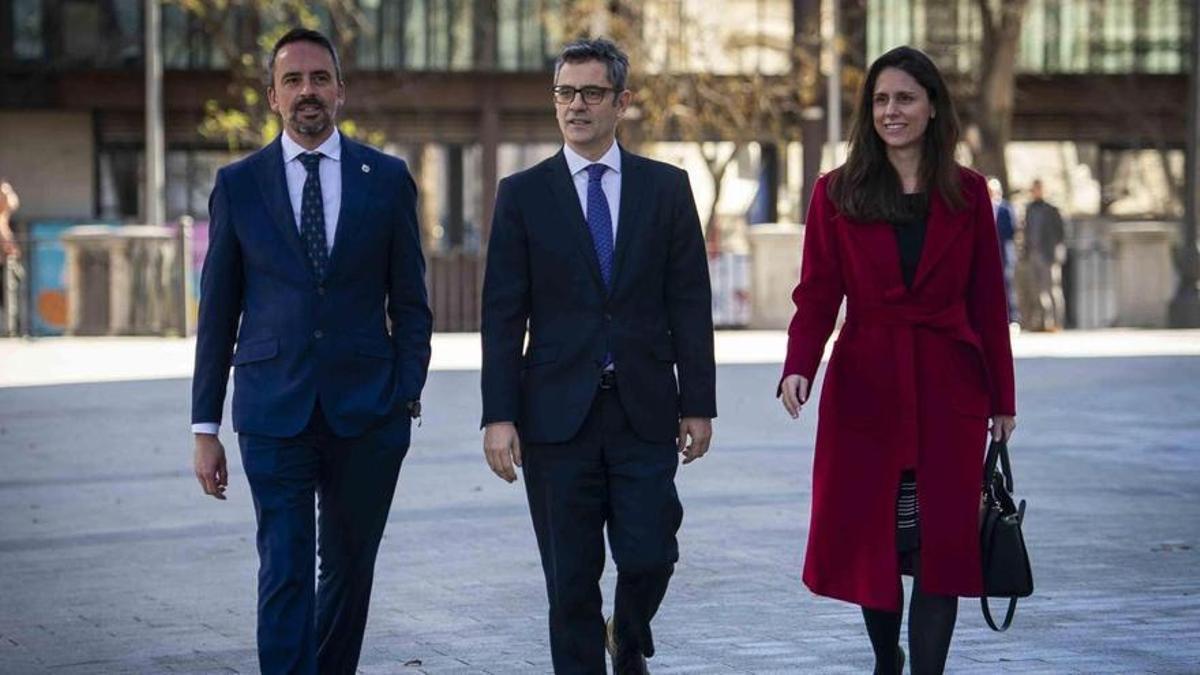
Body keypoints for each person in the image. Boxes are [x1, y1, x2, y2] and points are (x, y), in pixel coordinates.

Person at [190, 28, 432, 674]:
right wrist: (205, 425)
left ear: (340, 91)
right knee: (286, 566)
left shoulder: (385, 179)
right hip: (273, 409)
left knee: (351, 571)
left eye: (319, 78)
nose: (307, 91)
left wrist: (406, 393)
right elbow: (218, 311)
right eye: (293, 80)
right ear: (272, 95)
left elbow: (411, 302)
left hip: (369, 411)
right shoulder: (239, 185)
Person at [480, 37, 715, 674]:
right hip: (555, 420)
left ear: (622, 102)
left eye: (591, 93)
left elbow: (690, 300)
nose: (576, 105)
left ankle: (628, 634)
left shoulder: (666, 189)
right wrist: (497, 415)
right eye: (565, 92)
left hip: (643, 412)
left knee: (650, 555)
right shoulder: (522, 195)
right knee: (570, 586)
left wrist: (698, 403)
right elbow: (503, 316)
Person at [778, 46, 1016, 675]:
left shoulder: (968, 193)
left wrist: (1003, 400)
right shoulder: (837, 191)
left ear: (932, 108)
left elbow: (989, 301)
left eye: (906, 98)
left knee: (943, 543)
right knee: (873, 541)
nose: (892, 111)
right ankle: (888, 657)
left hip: (950, 388)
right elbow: (818, 292)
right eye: (881, 100)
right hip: (866, 388)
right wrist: (799, 363)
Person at [1024, 179, 1067, 331]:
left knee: (1052, 290)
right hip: (1033, 254)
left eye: (1038, 188)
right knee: (1037, 291)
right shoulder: (1029, 209)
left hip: (1048, 255)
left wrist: (1057, 253)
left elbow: (1060, 234)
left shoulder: (1052, 209)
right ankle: (1042, 322)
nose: (1036, 191)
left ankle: (1056, 322)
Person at [987, 177, 1019, 326]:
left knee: (1007, 286)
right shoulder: (983, 207)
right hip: (988, 254)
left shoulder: (1006, 208)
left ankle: (1012, 318)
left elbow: (1012, 230)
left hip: (1004, 253)